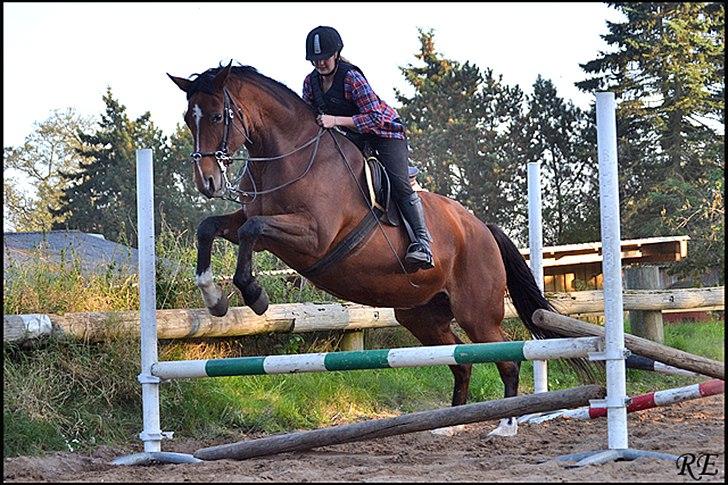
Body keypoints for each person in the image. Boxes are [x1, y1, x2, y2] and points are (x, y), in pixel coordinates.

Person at [301, 26, 434, 271]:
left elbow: (375, 118)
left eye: (325, 57)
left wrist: (335, 121)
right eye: (315, 59)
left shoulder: (351, 77)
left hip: (384, 134)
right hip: (353, 138)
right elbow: (310, 119)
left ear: (337, 54)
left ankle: (423, 243)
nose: (320, 63)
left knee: (400, 184)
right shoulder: (311, 83)